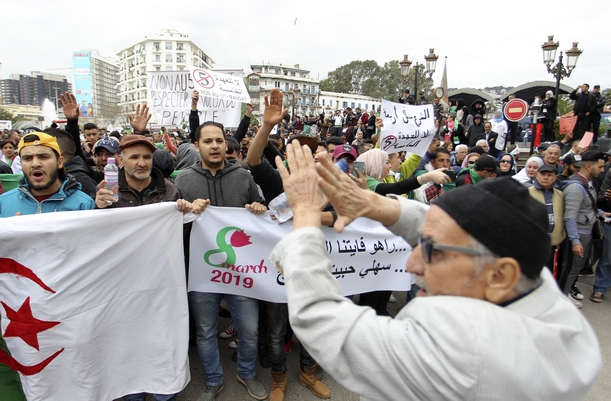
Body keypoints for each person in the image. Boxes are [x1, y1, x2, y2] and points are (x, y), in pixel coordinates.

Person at [268, 140, 602, 401]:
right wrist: (376, 205)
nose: (412, 264)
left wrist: (306, 216)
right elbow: (454, 234)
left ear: (499, 276)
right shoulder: (533, 285)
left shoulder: (462, 354)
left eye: (432, 251)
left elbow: (322, 317)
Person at [94, 134, 202, 401]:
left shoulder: (170, 190)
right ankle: (134, 392)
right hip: (122, 284)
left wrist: (187, 211)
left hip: (161, 281)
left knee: (162, 339)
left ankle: (165, 391)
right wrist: (96, 209)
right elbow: (94, 237)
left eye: (146, 157)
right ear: (120, 161)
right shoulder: (106, 190)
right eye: (134, 157)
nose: (142, 163)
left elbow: (181, 232)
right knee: (128, 342)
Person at [174, 120, 268, 401]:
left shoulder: (243, 177)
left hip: (241, 271)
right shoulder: (182, 180)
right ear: (197, 146)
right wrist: (188, 213)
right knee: (205, 331)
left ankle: (247, 373)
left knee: (249, 328)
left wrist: (258, 207)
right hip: (202, 274)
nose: (214, 146)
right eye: (207, 141)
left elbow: (260, 214)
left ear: (226, 145)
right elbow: (174, 228)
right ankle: (213, 380)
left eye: (219, 140)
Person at [0, 132, 95, 217]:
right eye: (28, 158)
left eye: (43, 157)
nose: (35, 164)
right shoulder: (3, 202)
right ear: (21, 163)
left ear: (59, 162)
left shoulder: (84, 205)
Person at [560, 151, 605, 308]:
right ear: (588, 166)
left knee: (575, 268)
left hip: (584, 232)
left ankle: (565, 295)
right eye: (600, 167)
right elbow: (570, 216)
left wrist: (601, 213)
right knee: (570, 268)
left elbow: (586, 207)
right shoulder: (575, 187)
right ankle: (563, 299)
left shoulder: (587, 183)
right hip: (578, 234)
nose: (602, 170)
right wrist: (575, 240)